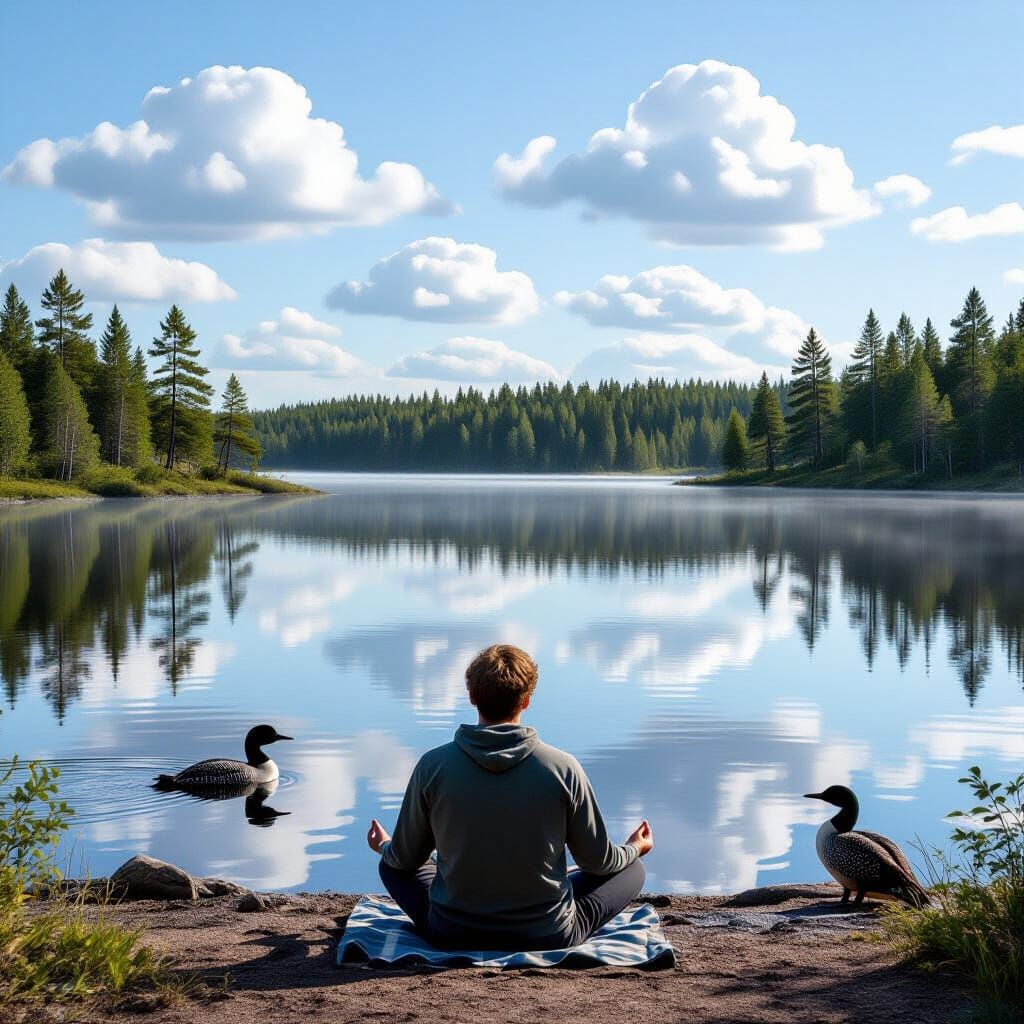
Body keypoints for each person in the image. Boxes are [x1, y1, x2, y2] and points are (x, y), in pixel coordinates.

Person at [366, 643, 653, 951]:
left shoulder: (433, 766)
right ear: (526, 700)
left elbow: (405, 858)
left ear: (472, 697)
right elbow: (598, 863)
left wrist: (383, 845)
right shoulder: (563, 768)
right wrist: (635, 847)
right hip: (548, 934)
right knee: (632, 869)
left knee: (390, 865)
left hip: (452, 932)